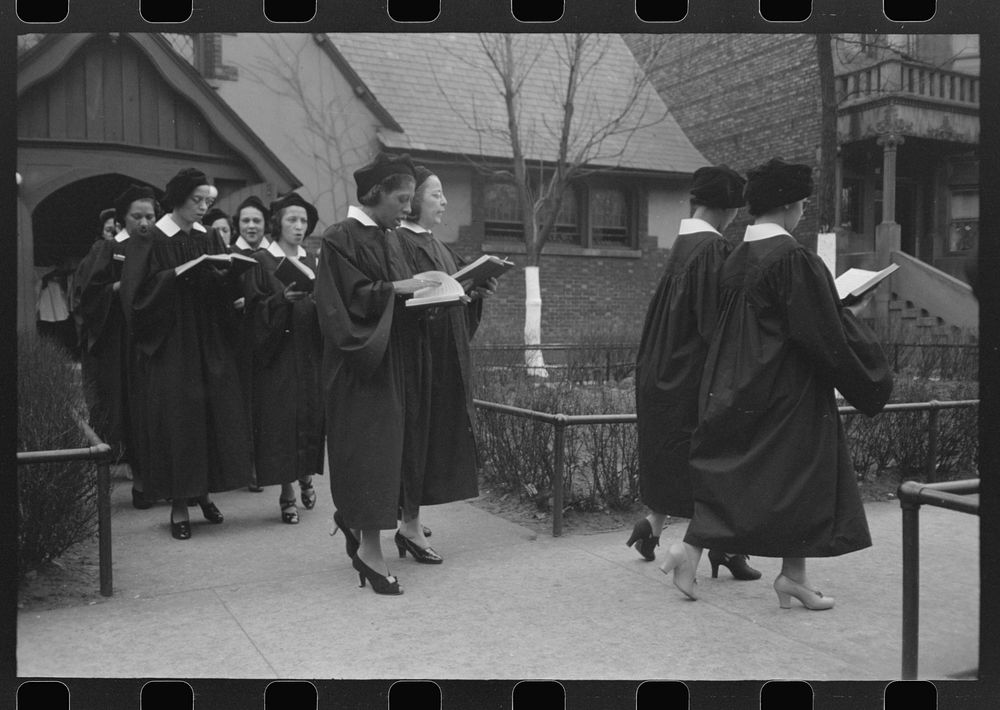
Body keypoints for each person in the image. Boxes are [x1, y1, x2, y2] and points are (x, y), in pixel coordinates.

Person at [659, 158, 893, 610]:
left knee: (744, 476)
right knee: (801, 477)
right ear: (789, 205)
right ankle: (774, 571)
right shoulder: (791, 259)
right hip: (789, 392)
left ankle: (777, 572)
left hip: (742, 385)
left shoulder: (736, 258)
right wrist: (858, 343)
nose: (803, 210)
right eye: (803, 203)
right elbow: (822, 333)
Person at [314, 152, 437, 595]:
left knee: (393, 455)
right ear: (374, 195)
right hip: (361, 367)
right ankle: (369, 550)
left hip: (393, 361)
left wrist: (435, 297)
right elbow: (339, 307)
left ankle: (362, 527)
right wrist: (396, 289)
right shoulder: (339, 238)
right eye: (402, 198)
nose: (408, 207)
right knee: (371, 454)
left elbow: (397, 299)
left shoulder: (391, 237)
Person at [630, 166, 761, 581]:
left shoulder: (682, 246)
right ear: (728, 211)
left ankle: (651, 524)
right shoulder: (714, 251)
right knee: (716, 458)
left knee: (672, 455)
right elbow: (715, 329)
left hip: (661, 369)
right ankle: (723, 548)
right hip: (690, 376)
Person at [119, 167, 253, 540]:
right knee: (180, 422)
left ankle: (204, 494)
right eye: (198, 200)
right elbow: (136, 297)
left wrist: (228, 277)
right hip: (172, 343)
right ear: (178, 197)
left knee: (211, 415)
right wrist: (176, 274)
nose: (204, 208)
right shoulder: (150, 237)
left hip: (207, 339)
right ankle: (179, 505)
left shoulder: (208, 235)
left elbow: (220, 290)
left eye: (209, 202)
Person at [393, 167, 494, 563]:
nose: (444, 201)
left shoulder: (435, 243)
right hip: (420, 359)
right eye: (435, 194)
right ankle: (409, 527)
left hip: (443, 358)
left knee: (431, 439)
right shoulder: (398, 242)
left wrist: (476, 288)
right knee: (416, 437)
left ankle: (409, 516)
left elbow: (452, 288)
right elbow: (408, 302)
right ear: (413, 199)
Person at [74, 186, 159, 508]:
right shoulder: (108, 249)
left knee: (154, 413)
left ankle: (155, 482)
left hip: (153, 340)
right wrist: (121, 287)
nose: (144, 222)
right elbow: (89, 295)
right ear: (123, 218)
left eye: (150, 216)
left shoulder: (158, 247)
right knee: (125, 412)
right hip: (120, 344)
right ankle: (131, 484)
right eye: (136, 216)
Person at [243, 193, 324, 523]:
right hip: (277, 355)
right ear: (277, 224)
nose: (299, 226)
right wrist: (282, 300)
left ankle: (305, 474)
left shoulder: (314, 261)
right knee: (281, 423)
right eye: (292, 220)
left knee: (309, 417)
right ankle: (287, 491)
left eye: (304, 220)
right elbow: (253, 310)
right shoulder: (261, 261)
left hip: (309, 352)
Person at [229, 195, 272, 492]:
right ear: (238, 225)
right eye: (245, 220)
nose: (251, 226)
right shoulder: (230, 255)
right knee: (244, 403)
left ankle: (267, 465)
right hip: (239, 338)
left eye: (257, 220)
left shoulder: (272, 257)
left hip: (270, 338)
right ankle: (249, 468)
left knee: (267, 404)